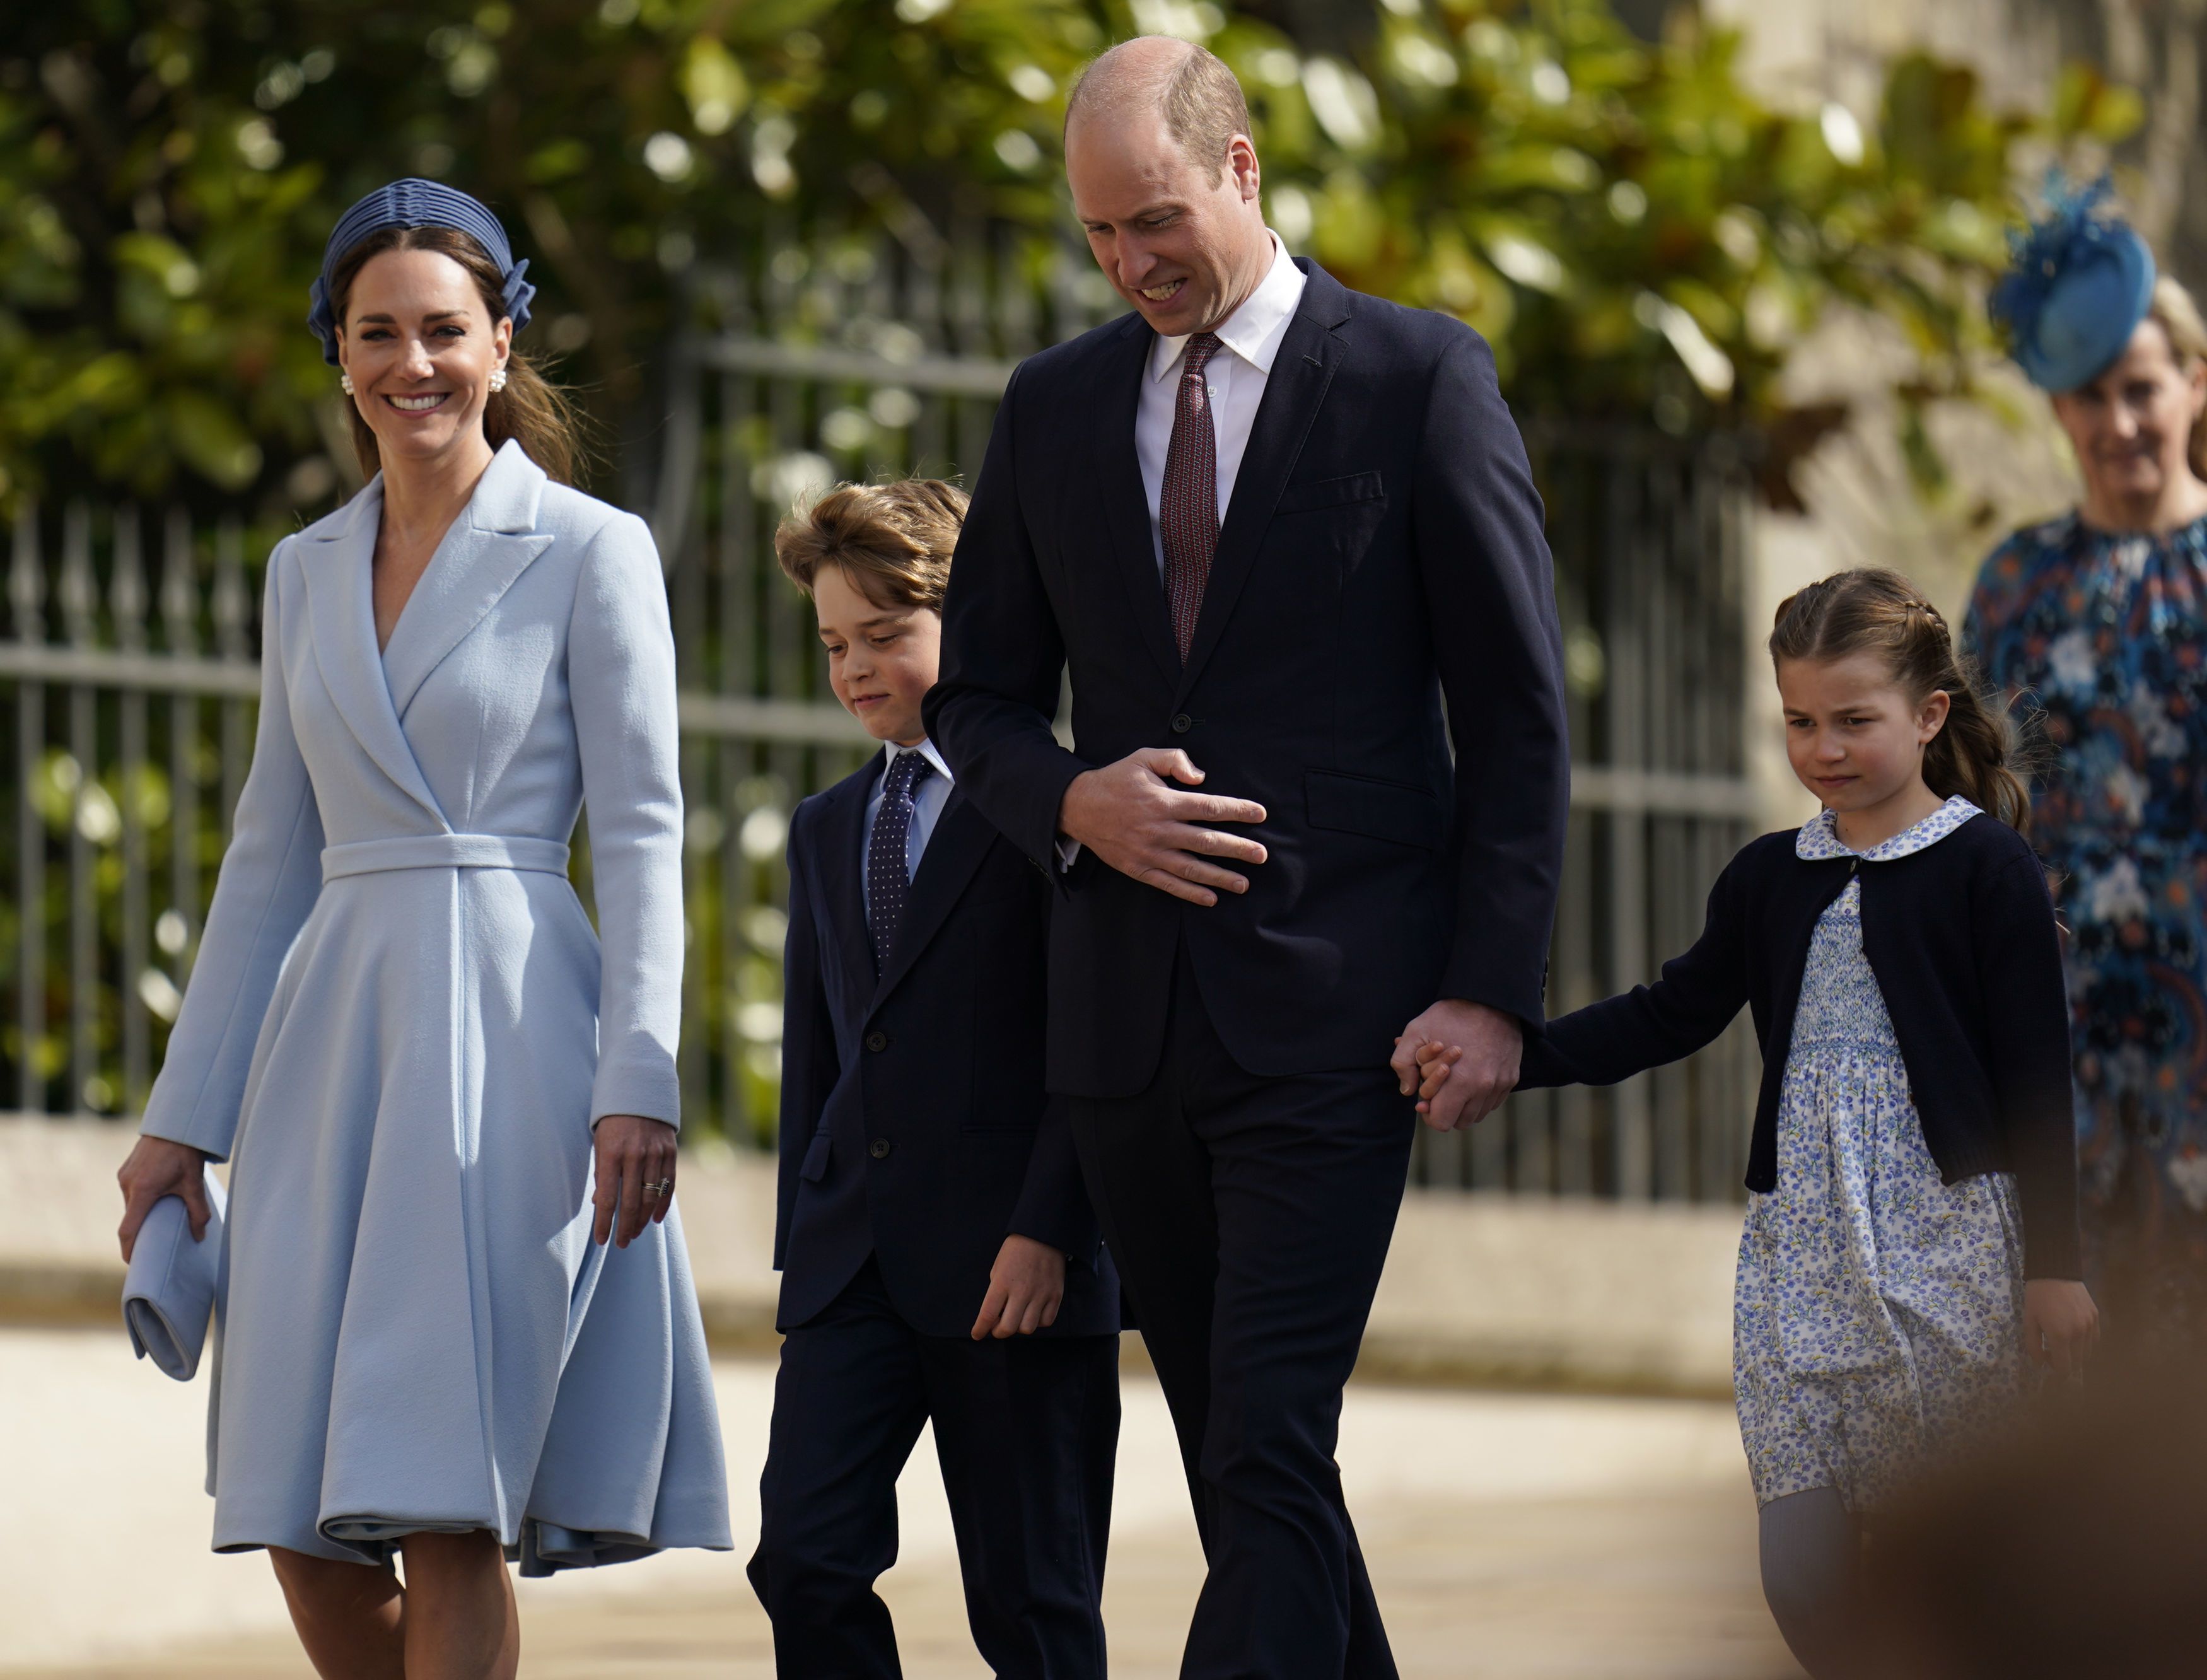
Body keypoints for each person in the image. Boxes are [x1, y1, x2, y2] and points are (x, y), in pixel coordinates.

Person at [923, 37, 1569, 1677]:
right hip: (1126, 1037)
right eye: (1098, 237)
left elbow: (1515, 721)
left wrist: (1489, 994)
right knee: (1244, 1468)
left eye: (1153, 219)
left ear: (1241, 170)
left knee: (1271, 1437)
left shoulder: (1421, 379)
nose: (1133, 263)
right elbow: (980, 700)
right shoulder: (1053, 409)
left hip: (1339, 1022)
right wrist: (1073, 800)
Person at [111, 180, 730, 1680]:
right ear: (338, 355)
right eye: (377, 333)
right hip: (328, 1058)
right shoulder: (301, 570)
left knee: (445, 1501)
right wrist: (177, 1127)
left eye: (446, 330)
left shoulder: (594, 547)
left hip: (511, 1046)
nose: (414, 365)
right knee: (294, 1512)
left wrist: (638, 1077)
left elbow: (644, 832)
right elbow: (269, 855)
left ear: (504, 342)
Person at [1457, 568, 2097, 1678]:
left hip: (1949, 1261)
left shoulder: (1989, 871)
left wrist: (2057, 1267)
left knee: (1941, 1574)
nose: (1824, 749)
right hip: (1798, 1261)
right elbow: (1670, 1014)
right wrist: (1515, 1054)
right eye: (1800, 722)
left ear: (1928, 714)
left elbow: (2039, 1085)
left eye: (1854, 720)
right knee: (1800, 1575)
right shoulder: (1767, 878)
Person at [748, 480, 1121, 1675]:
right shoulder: (825, 824)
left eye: (887, 637)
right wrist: (802, 1244)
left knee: (1033, 1609)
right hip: (852, 1262)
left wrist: (1050, 1230)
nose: (855, 668)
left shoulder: (1066, 807)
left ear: (977, 627)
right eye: (833, 645)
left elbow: (1099, 1041)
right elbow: (826, 1051)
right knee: (802, 1559)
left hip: (1018, 1266)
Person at [1965, 178, 2207, 1356]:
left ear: (2195, 385)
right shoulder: (2018, 582)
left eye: (2142, 390)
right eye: (2090, 397)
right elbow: (1969, 802)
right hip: (2052, 1022)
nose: (2119, 422)